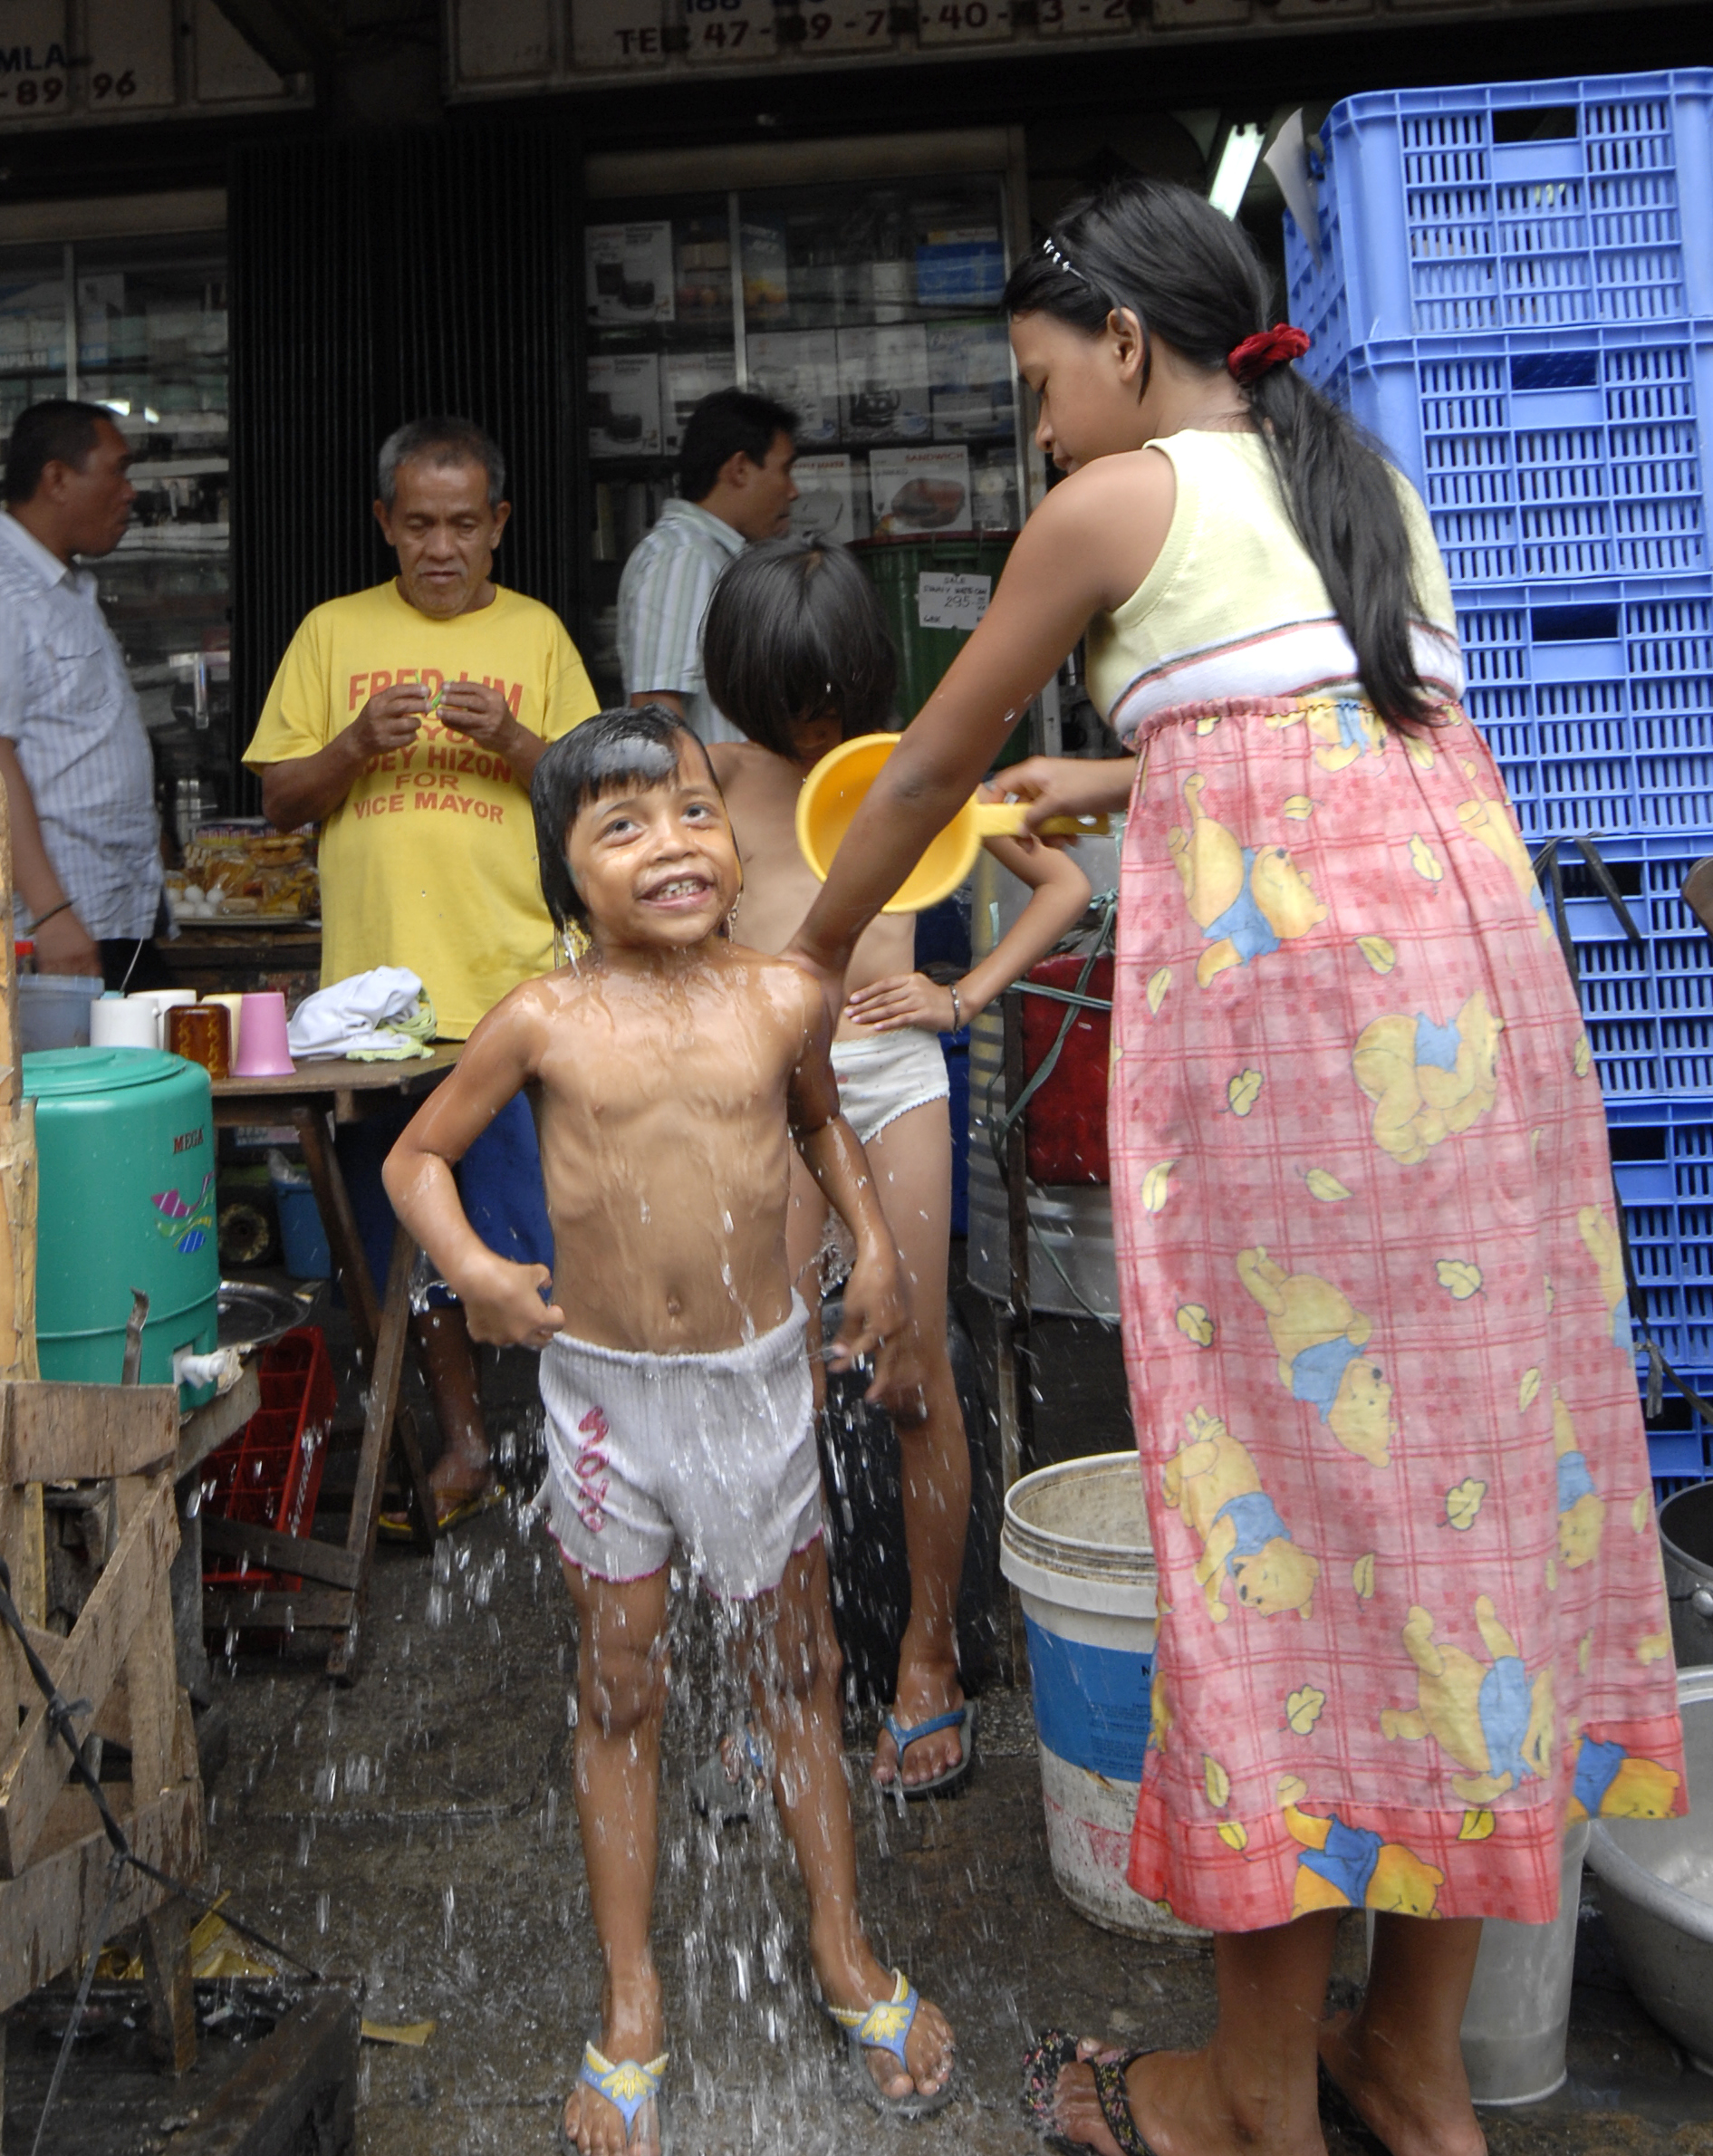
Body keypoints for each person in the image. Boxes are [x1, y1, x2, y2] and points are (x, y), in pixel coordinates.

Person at [789, 178, 1687, 2156]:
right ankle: (1418, 2070)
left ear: (1119, 340)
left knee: (1279, 1523)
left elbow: (925, 760)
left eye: (1036, 389)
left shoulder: (1114, 504)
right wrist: (1118, 790)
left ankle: (1255, 2110)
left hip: (1315, 1079)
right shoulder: (1343, 472)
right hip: (1482, 1044)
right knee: (1463, 1513)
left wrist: (796, 955)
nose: (1035, 440)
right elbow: (1329, 733)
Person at [382, 705, 958, 2156]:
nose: (672, 846)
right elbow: (415, 1155)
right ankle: (633, 1996)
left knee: (797, 1664)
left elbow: (824, 1133)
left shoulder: (780, 996)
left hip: (757, 1383)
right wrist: (480, 1274)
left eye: (692, 812)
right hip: (601, 1398)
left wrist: (879, 1254)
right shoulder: (542, 1017)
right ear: (564, 873)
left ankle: (837, 1942)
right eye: (621, 827)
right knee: (619, 1678)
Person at [698, 539, 1091, 1797]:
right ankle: (783, 1668)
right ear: (739, 687)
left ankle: (928, 1660)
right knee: (772, 1391)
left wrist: (960, 991)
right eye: (785, 707)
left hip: (886, 1082)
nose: (813, 732)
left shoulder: (908, 769)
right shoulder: (701, 778)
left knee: (913, 1370)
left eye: (830, 702)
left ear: (866, 680)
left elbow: (1064, 881)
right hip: (758, 1094)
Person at [243, 417, 598, 1532]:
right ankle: (463, 1444)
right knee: (408, 1238)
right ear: (384, 525)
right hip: (381, 1005)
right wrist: (353, 744)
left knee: (547, 1225)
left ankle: (590, 1448)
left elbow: (597, 792)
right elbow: (279, 803)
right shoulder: (332, 631)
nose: (439, 547)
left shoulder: (538, 634)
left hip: (518, 984)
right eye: (417, 525)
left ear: (499, 527)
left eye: (462, 525)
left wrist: (518, 744)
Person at [0, 399, 162, 986]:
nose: (129, 492)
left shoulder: (60, 588)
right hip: (48, 936)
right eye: (117, 470)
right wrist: (51, 913)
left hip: (113, 915)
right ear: (56, 478)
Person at [618, 388, 799, 743]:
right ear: (740, 469)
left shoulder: (713, 557)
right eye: (785, 470)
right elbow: (656, 710)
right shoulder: (684, 557)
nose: (793, 490)